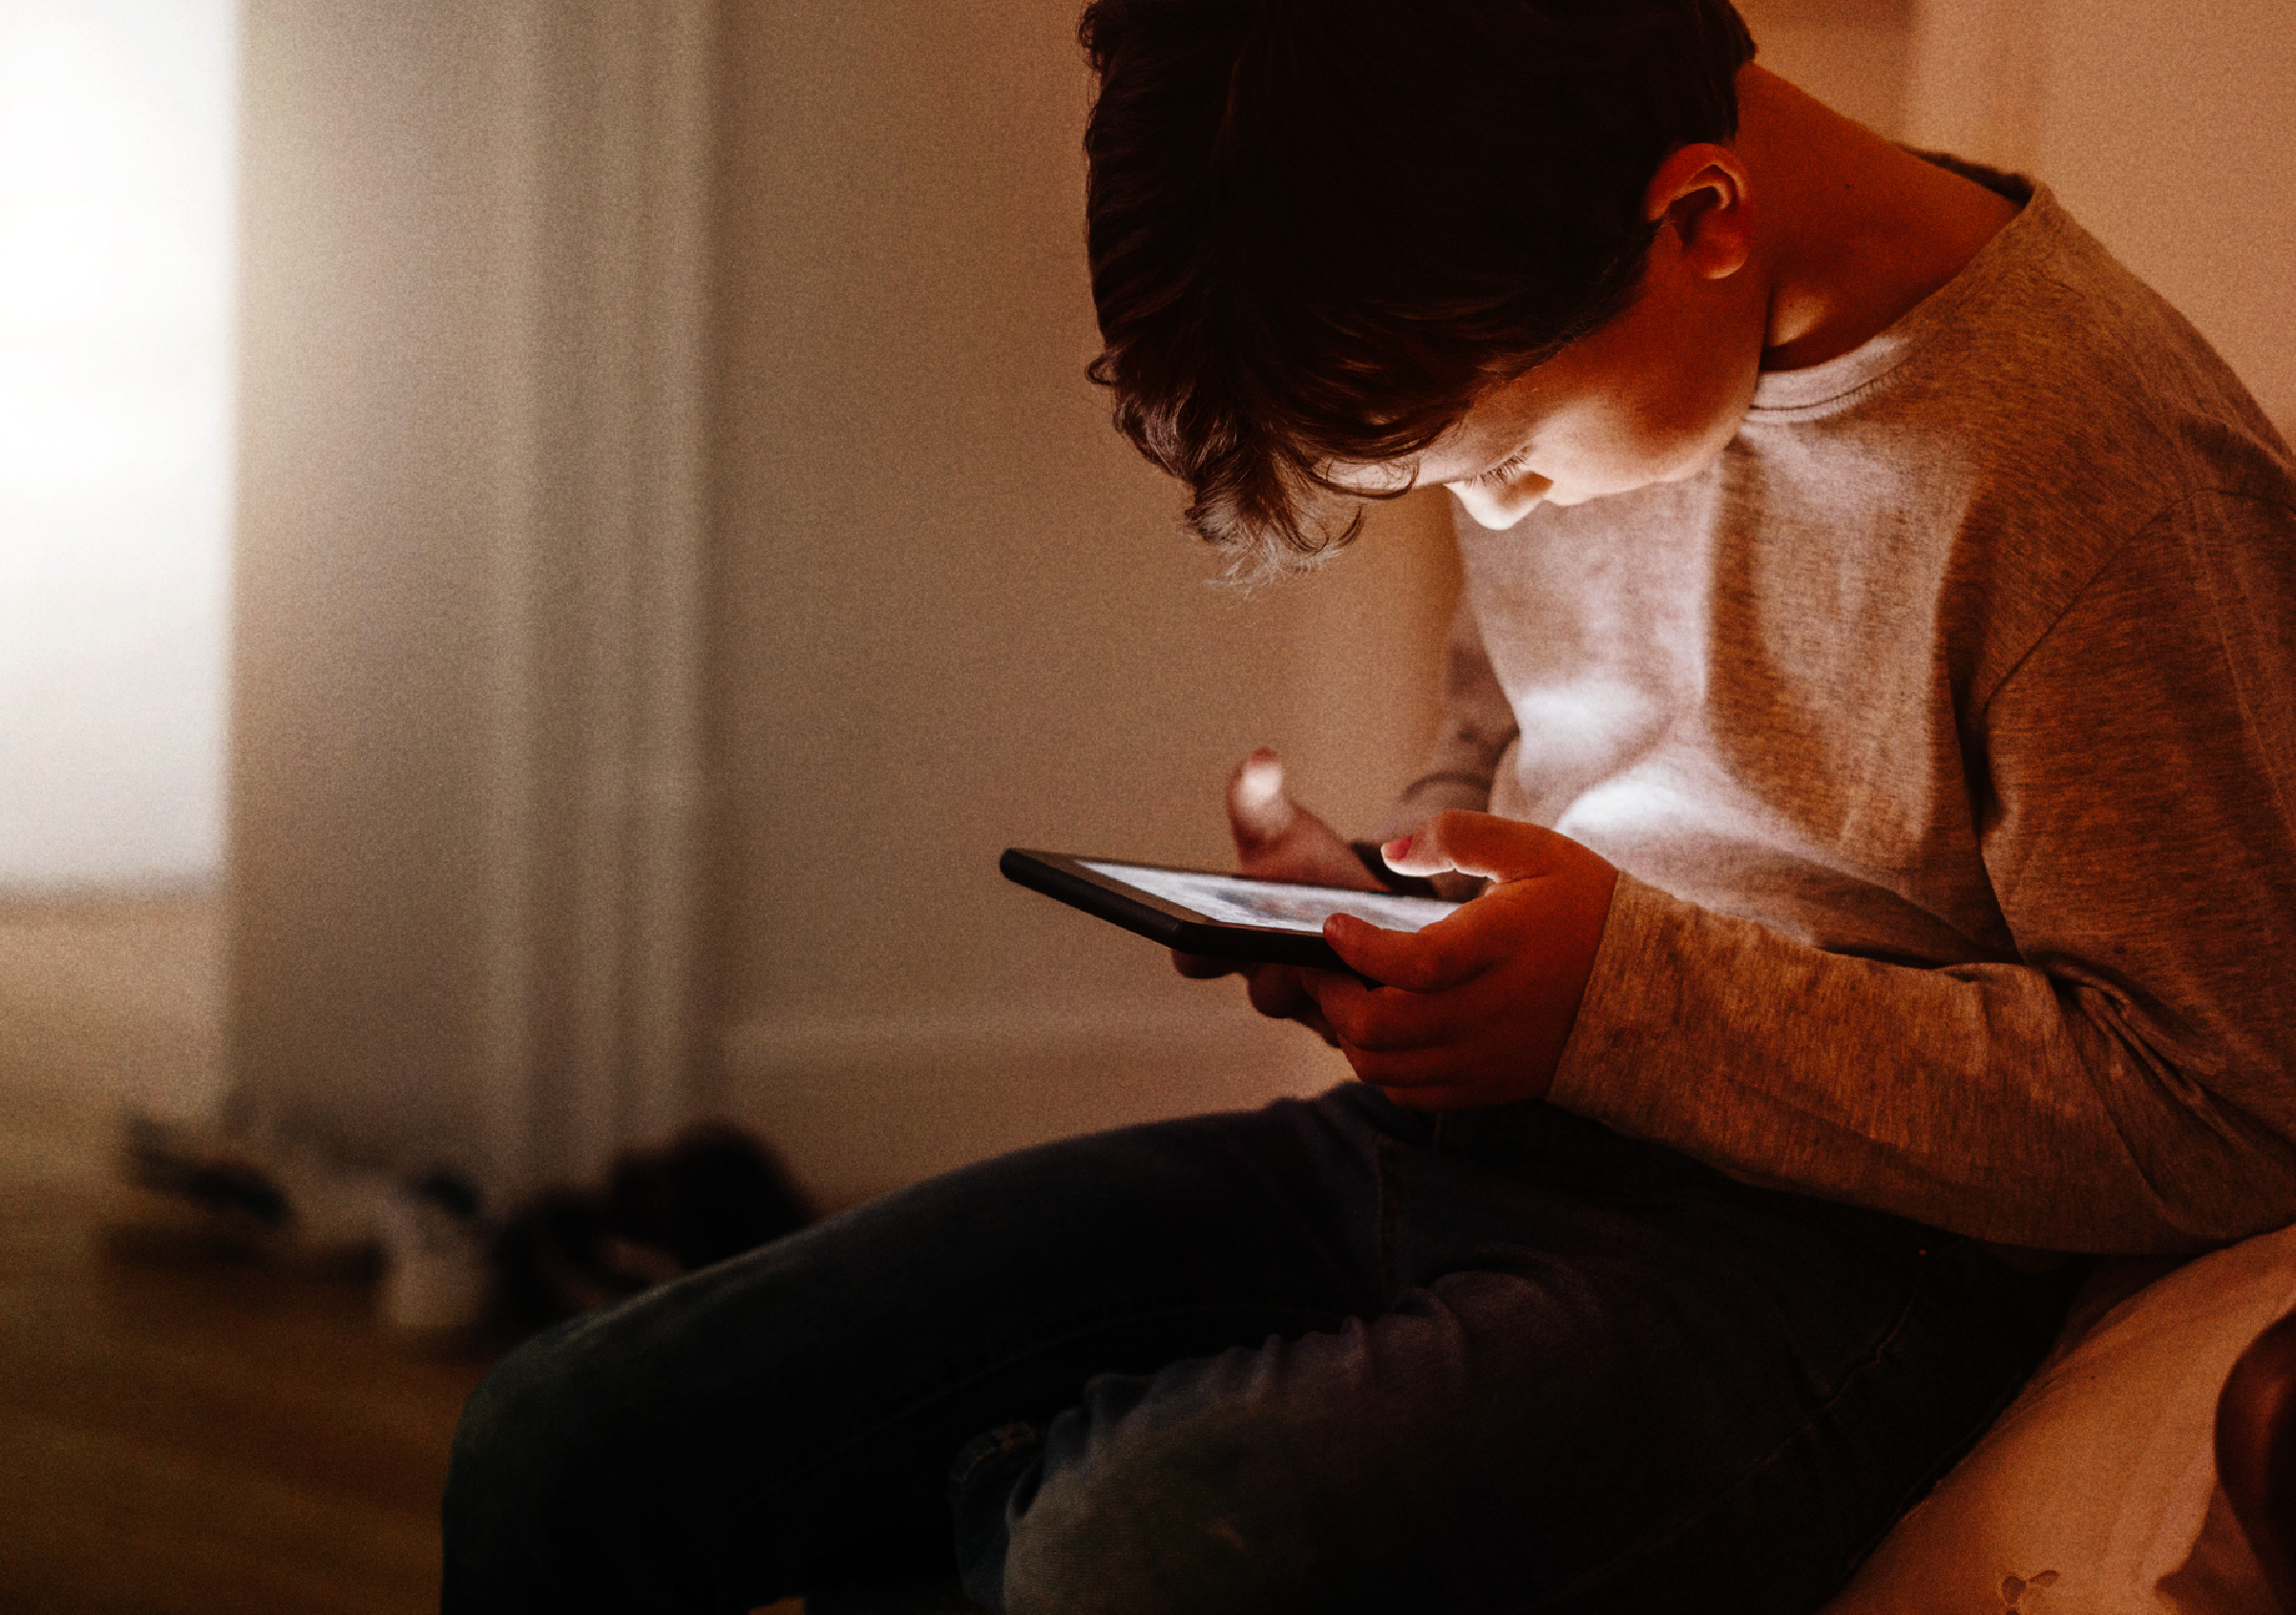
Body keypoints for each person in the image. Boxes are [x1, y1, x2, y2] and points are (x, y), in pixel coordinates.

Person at [439, 2, 2296, 1610]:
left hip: (1821, 1263)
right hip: (1459, 1138)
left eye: (1495, 459)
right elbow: (1510, 726)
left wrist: (1618, 1002)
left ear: (1695, 218)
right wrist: (1393, 895)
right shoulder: (1599, 319)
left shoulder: (2092, 479)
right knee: (563, 1441)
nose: (1488, 517)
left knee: (1136, 1558)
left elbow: (2228, 1102)